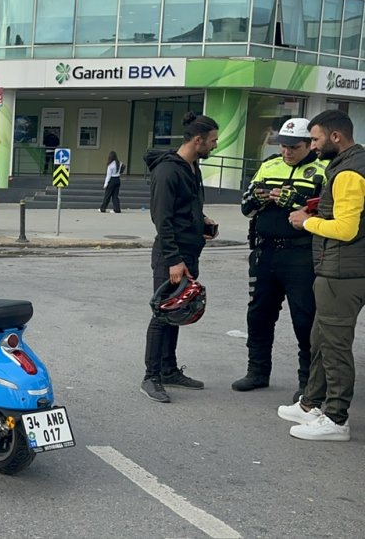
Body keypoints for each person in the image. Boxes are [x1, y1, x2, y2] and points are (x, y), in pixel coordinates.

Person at [280, 109, 365, 441]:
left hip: (342, 270)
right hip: (343, 267)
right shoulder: (353, 164)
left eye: (314, 139)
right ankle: (310, 404)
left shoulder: (348, 172)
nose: (311, 145)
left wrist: (307, 221)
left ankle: (336, 418)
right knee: (321, 338)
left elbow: (346, 229)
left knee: (334, 345)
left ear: (335, 137)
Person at [232, 118, 327, 400]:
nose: (286, 152)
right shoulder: (269, 165)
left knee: (305, 319)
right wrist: (258, 199)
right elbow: (246, 209)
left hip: (302, 253)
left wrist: (294, 202)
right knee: (259, 315)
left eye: (293, 147)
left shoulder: (323, 169)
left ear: (309, 144)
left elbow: (330, 214)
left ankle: (307, 383)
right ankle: (257, 371)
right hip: (265, 251)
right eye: (283, 146)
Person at [141, 112, 220, 403]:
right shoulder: (167, 171)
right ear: (197, 140)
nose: (215, 146)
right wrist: (174, 259)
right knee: (163, 315)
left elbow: (185, 209)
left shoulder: (192, 166)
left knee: (178, 312)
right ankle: (151, 377)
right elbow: (161, 219)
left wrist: (202, 223)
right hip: (171, 255)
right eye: (212, 141)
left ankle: (169, 369)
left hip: (189, 251)